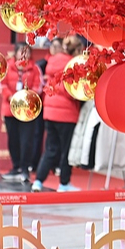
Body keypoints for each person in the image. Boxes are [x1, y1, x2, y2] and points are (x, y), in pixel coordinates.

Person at [31, 35, 85, 192]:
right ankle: (64, 183)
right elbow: (71, 91)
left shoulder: (52, 61)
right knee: (66, 150)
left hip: (49, 111)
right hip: (66, 113)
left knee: (50, 148)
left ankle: (38, 181)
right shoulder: (73, 65)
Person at [0, 43, 41, 182]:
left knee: (27, 140)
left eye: (27, 52)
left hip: (27, 110)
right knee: (13, 139)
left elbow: (38, 87)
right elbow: (2, 85)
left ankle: (24, 168)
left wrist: (25, 99)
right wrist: (12, 98)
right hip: (10, 109)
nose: (24, 55)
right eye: (21, 52)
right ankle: (16, 166)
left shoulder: (35, 68)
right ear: (15, 53)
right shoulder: (7, 67)